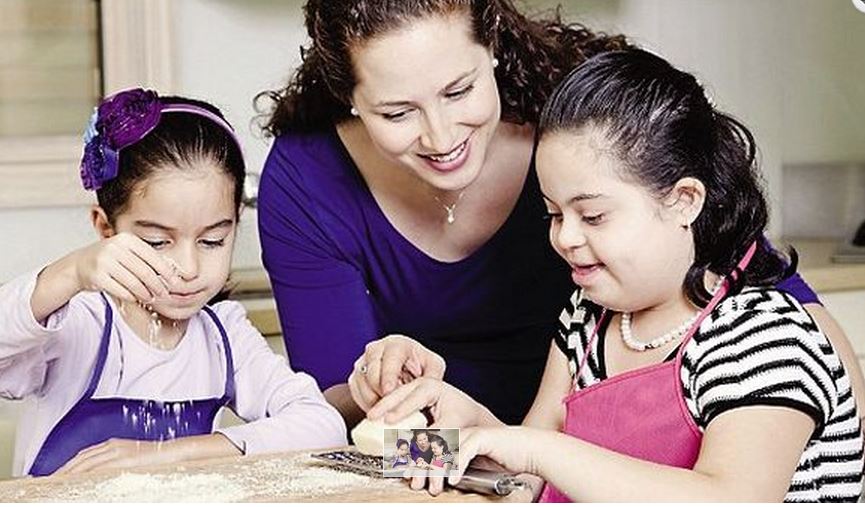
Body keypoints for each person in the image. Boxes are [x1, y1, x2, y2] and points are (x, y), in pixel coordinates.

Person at [258, 0, 865, 429]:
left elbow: (785, 304)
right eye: (397, 113)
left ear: (493, 47)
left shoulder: (585, 123)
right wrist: (376, 386)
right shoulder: (310, 176)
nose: (441, 137)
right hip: (485, 454)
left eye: (459, 90)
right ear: (349, 98)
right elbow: (328, 411)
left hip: (612, 451)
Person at [364, 50, 864, 502]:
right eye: (554, 214)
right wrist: (446, 435)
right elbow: (529, 479)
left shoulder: (762, 336)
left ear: (683, 201)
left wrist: (534, 449)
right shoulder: (587, 320)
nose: (565, 238)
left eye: (593, 216)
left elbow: (731, 498)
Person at [0, 88, 346, 477]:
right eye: (157, 242)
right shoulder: (79, 322)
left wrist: (168, 453)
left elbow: (323, 425)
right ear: (106, 228)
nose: (188, 267)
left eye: (212, 240)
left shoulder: (224, 337)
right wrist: (70, 273)